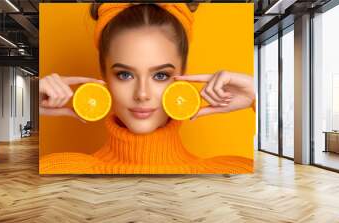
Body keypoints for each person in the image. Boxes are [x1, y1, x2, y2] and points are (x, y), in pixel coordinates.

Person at [39, 3, 255, 174]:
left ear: (183, 74)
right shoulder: (55, 169)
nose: (142, 94)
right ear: (104, 75)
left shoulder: (235, 171)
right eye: (125, 75)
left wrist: (258, 96)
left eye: (161, 75)